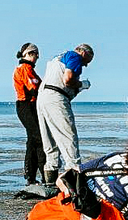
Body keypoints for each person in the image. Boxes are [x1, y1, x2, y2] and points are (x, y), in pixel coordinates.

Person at [37, 43, 94, 184]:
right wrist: (82, 84)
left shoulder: (58, 58)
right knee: (68, 138)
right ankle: (74, 180)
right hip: (56, 97)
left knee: (49, 142)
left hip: (42, 97)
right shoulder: (75, 56)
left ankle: (50, 181)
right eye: (87, 61)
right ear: (83, 53)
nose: (85, 66)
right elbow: (68, 80)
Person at [13, 43, 44, 184]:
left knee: (33, 140)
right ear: (28, 54)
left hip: (31, 106)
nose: (37, 57)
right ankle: (44, 174)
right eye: (35, 53)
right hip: (26, 106)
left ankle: (31, 177)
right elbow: (33, 88)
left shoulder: (30, 69)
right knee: (39, 139)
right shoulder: (24, 69)